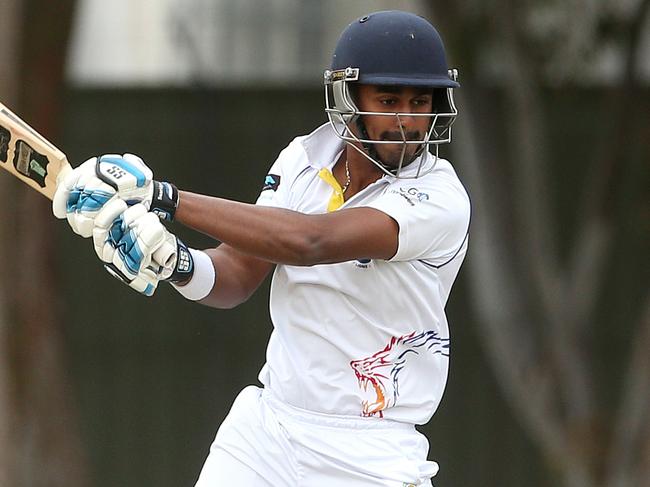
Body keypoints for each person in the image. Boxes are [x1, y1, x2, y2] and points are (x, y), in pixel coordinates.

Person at [54, 10, 470, 487]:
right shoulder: (302, 160)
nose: (406, 120)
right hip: (268, 431)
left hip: (370, 452)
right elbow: (235, 274)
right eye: (389, 99)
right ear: (348, 99)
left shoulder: (440, 196)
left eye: (420, 101)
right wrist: (174, 263)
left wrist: (161, 196)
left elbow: (310, 241)